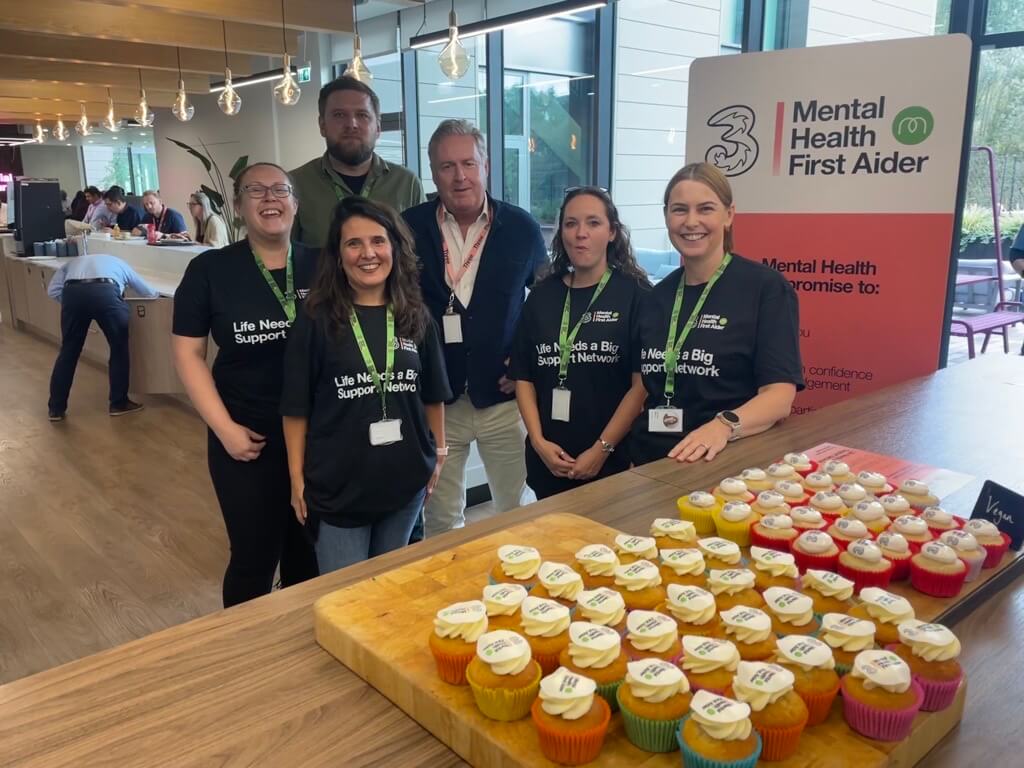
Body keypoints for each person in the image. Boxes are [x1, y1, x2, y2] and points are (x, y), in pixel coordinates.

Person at [171, 162, 319, 607]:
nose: (270, 199)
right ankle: (244, 650)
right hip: (248, 437)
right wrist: (225, 429)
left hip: (318, 435)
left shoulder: (324, 263)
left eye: (281, 190)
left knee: (308, 551)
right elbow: (188, 355)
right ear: (237, 206)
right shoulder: (210, 270)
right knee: (254, 554)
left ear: (295, 202)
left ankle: (300, 642)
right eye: (256, 191)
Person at [281, 198, 451, 572]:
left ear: (394, 247)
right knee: (346, 596)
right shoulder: (317, 320)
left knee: (389, 587)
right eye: (353, 243)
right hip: (340, 488)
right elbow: (295, 407)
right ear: (338, 256)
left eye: (378, 241)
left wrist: (437, 454)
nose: (367, 253)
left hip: (405, 482)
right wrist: (296, 478)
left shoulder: (415, 315)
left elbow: (433, 394)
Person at [403, 119, 548, 537]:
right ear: (433, 172)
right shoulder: (408, 228)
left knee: (516, 510)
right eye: (447, 166)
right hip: (436, 401)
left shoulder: (521, 228)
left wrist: (523, 364)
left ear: (486, 165)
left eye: (468, 162)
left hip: (503, 400)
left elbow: (546, 304)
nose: (459, 175)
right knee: (442, 517)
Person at [630, 162, 804, 466]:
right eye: (680, 209)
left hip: (724, 464)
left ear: (729, 215)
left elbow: (779, 397)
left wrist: (722, 426)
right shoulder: (656, 297)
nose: (691, 221)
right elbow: (646, 389)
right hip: (652, 462)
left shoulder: (765, 288)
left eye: (706, 209)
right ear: (667, 217)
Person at [510, 187, 650, 499]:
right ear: (561, 233)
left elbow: (640, 385)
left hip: (612, 461)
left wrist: (602, 450)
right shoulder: (542, 296)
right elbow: (524, 378)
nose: (580, 234)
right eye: (571, 224)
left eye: (593, 223)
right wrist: (538, 441)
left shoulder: (636, 294)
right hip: (548, 461)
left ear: (612, 232)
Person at [291, 76, 425, 249]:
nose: (351, 124)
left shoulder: (406, 183)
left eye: (362, 115)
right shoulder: (295, 185)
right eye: (339, 115)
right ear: (322, 125)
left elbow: (420, 252)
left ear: (378, 127)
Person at [46, 253, 157, 421]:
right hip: (105, 293)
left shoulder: (72, 263)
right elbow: (149, 292)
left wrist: (74, 305)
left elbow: (52, 290)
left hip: (72, 293)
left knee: (68, 351)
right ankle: (118, 403)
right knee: (119, 348)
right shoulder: (120, 263)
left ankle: (56, 408)